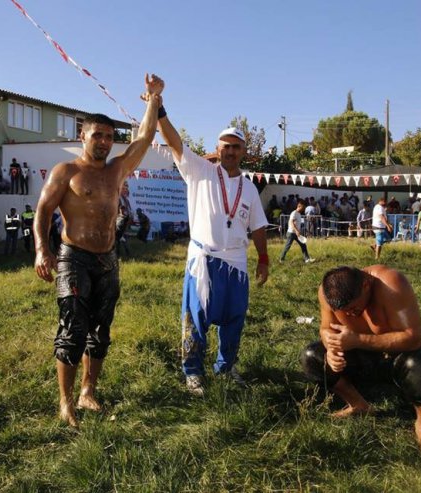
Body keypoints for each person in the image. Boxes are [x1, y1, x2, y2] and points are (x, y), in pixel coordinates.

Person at [33, 73, 163, 427]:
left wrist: (153, 99)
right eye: (98, 135)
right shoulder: (66, 171)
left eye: (109, 136)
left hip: (108, 259)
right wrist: (41, 250)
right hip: (73, 257)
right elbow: (43, 211)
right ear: (83, 136)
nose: (105, 141)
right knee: (73, 329)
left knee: (101, 330)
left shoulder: (117, 170)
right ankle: (65, 402)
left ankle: (88, 391)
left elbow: (147, 137)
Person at [156, 100, 270, 397]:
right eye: (225, 146)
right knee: (196, 317)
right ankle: (193, 372)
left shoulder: (249, 188)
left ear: (244, 151)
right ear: (217, 149)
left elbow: (257, 226)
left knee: (235, 317)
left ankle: (226, 366)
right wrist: (159, 109)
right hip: (204, 259)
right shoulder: (200, 171)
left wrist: (264, 259)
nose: (230, 151)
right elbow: (175, 142)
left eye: (236, 146)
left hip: (236, 262)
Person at [300, 266, 421, 451]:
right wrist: (331, 349)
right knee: (311, 356)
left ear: (366, 284)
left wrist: (358, 340)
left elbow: (416, 336)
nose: (349, 315)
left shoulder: (391, 284)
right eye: (343, 311)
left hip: (395, 357)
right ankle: (358, 404)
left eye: (353, 308)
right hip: (359, 356)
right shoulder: (326, 292)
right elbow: (326, 329)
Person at [279, 199, 315, 264]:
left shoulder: (298, 214)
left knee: (303, 245)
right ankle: (281, 259)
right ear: (299, 206)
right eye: (303, 207)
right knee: (287, 246)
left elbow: (296, 224)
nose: (304, 209)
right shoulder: (294, 213)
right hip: (291, 233)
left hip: (296, 233)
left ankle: (307, 259)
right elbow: (291, 222)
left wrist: (299, 231)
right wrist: (296, 231)